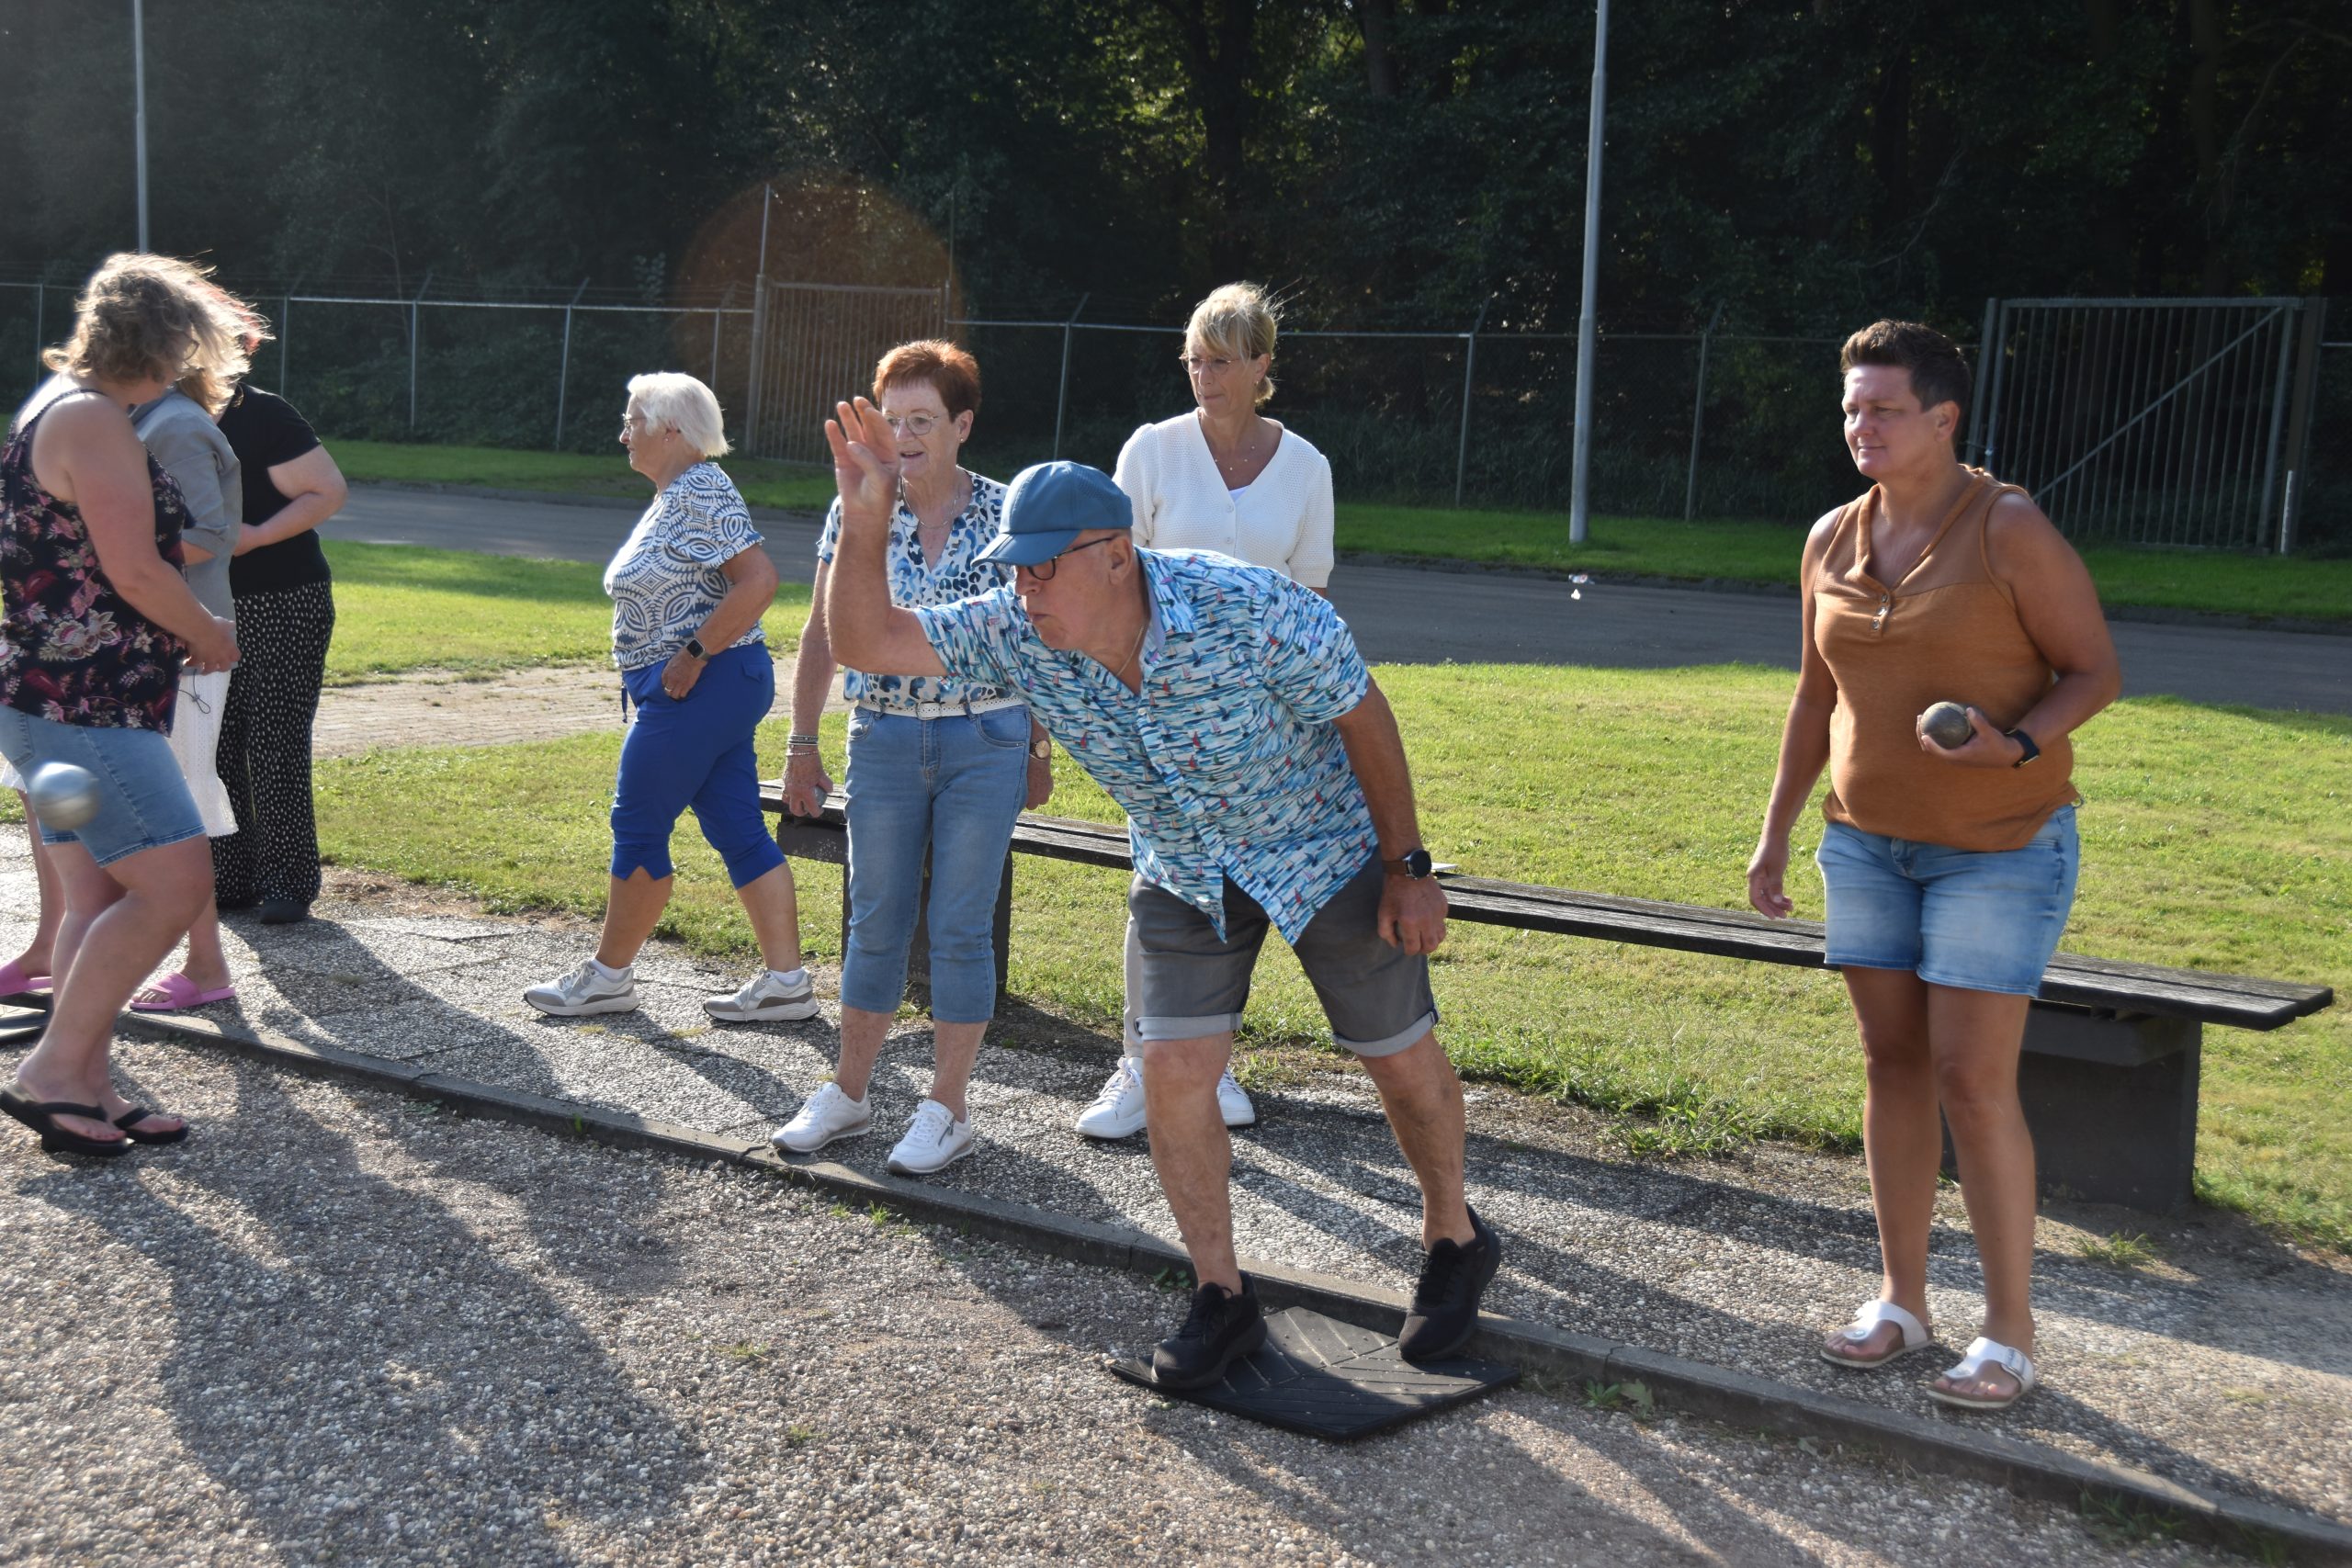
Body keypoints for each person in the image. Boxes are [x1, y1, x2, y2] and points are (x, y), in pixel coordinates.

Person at [822, 398, 1500, 1389]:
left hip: (1323, 849)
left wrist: (1407, 869)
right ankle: (1221, 1298)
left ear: (1114, 554)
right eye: (1016, 565)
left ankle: (1452, 1237)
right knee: (1174, 1073)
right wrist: (869, 509)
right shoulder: (1018, 630)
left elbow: (1363, 715)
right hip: (1184, 865)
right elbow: (868, 643)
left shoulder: (1248, 609)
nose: (1024, 585)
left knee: (1395, 1058)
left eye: (1044, 564)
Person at [1746, 320, 2121, 1413]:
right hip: (1865, 844)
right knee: (1892, 1068)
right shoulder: (1830, 538)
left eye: (1885, 407)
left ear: (1943, 418)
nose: (1861, 425)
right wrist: (1776, 830)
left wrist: (2013, 743)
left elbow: (2093, 669)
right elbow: (1814, 696)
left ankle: (2008, 1333)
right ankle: (1902, 1303)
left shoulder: (2007, 529)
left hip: (1998, 851)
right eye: (1853, 406)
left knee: (1971, 1079)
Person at [775, 342, 1052, 1176]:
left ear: (962, 425)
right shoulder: (857, 504)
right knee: (875, 919)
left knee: (960, 926)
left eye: (922, 421)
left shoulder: (1008, 512)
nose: (903, 436)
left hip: (985, 737)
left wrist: (1037, 745)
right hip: (884, 737)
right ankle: (850, 1093)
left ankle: (947, 1108)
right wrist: (801, 740)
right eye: (892, 420)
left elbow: (1038, 639)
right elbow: (824, 634)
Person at [0, 253, 245, 1156]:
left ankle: (90, 1090)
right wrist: (207, 631)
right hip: (86, 708)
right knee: (175, 884)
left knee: (97, 894)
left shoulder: (47, 410)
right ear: (167, 340)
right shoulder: (97, 423)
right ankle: (55, 1071)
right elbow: (135, 567)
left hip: (46, 705)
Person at [1080, 281, 1337, 1141]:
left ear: (1262, 364)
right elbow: (1114, 573)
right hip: (1158, 707)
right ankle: (1136, 1062)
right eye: (1194, 359)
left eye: (1221, 361)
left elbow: (1311, 603)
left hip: (1265, 727)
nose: (1203, 375)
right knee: (1161, 879)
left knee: (1234, 888)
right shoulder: (1151, 451)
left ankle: (1208, 1063)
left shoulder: (1306, 468)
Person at [523, 372, 817, 1024]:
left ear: (672, 429)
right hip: (715, 687)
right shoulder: (676, 494)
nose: (624, 431)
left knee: (637, 824)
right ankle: (787, 983)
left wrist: (691, 655)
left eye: (634, 419)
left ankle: (608, 977)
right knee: (737, 829)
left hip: (700, 687)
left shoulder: (701, 489)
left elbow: (760, 580)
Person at [119, 355, 248, 1010]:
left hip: (185, 645)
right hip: (160, 640)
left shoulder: (173, 426)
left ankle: (206, 965)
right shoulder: (152, 418)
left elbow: (207, 534)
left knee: (184, 797)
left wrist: (104, 546)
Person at [209, 361, 349, 926]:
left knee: (273, 737)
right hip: (205, 602)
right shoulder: (158, 414)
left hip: (283, 597)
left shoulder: (262, 412)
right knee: (213, 740)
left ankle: (288, 882)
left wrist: (258, 535)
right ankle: (230, 876)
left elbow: (328, 490)